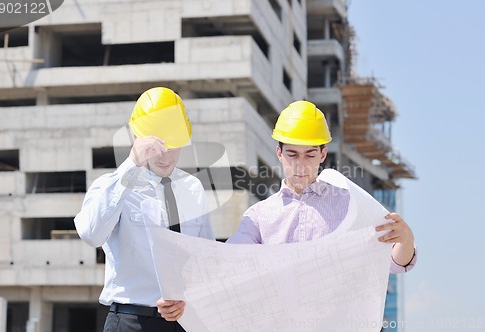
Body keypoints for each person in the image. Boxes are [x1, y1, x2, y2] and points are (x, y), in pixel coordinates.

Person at [74, 87, 215, 332]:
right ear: (137, 139)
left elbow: (205, 256)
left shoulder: (192, 188)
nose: (165, 156)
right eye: (156, 147)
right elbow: (91, 233)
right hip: (131, 320)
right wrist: (131, 166)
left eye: (173, 146)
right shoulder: (112, 186)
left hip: (185, 321)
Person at [227, 100, 416, 273]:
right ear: (279, 153)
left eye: (309, 154)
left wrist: (406, 240)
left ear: (323, 154)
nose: (300, 164)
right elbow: (225, 262)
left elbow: (393, 263)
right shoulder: (259, 217)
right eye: (292, 154)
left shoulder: (349, 205)